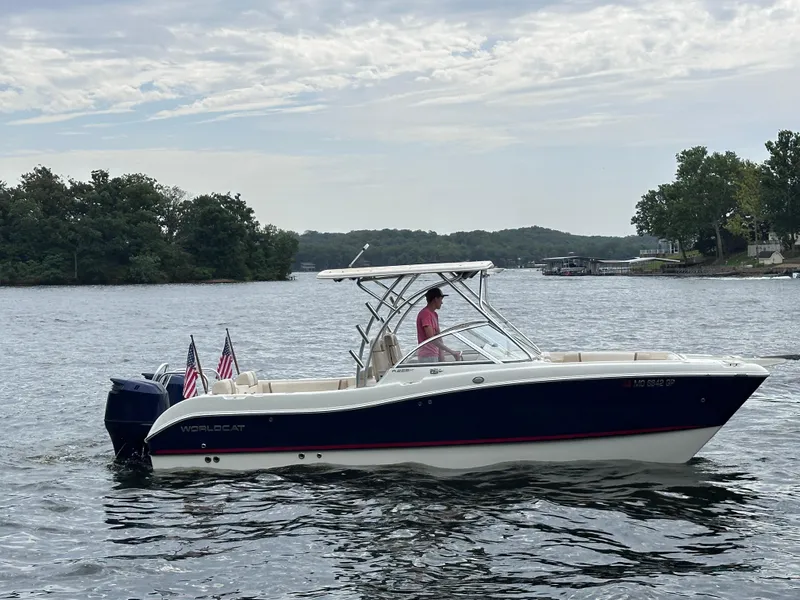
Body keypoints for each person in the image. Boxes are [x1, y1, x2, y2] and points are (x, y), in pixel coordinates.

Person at [416, 287, 462, 363]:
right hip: (427, 356)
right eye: (441, 299)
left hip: (434, 354)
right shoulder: (425, 314)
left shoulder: (434, 314)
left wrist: (442, 356)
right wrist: (451, 352)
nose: (442, 302)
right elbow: (431, 338)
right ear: (435, 299)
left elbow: (438, 337)